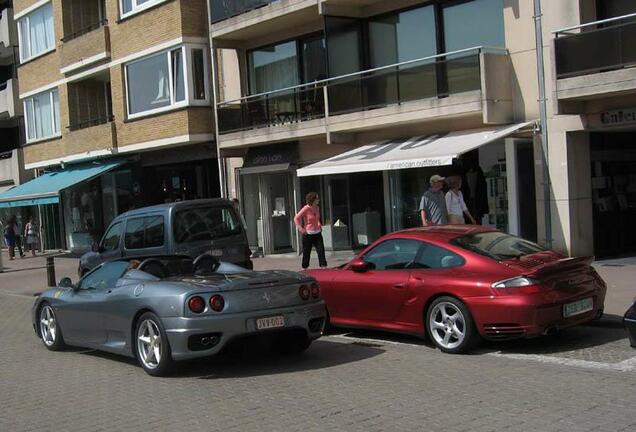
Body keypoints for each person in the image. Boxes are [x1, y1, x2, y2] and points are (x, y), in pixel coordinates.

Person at [294, 192, 327, 269]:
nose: (318, 200)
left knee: (321, 250)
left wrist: (319, 224)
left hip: (317, 233)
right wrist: (300, 229)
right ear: (313, 200)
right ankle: (305, 268)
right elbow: (296, 218)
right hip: (308, 233)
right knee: (306, 252)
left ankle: (323, 266)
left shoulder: (317, 208)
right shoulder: (306, 208)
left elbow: (317, 218)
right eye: (317, 198)